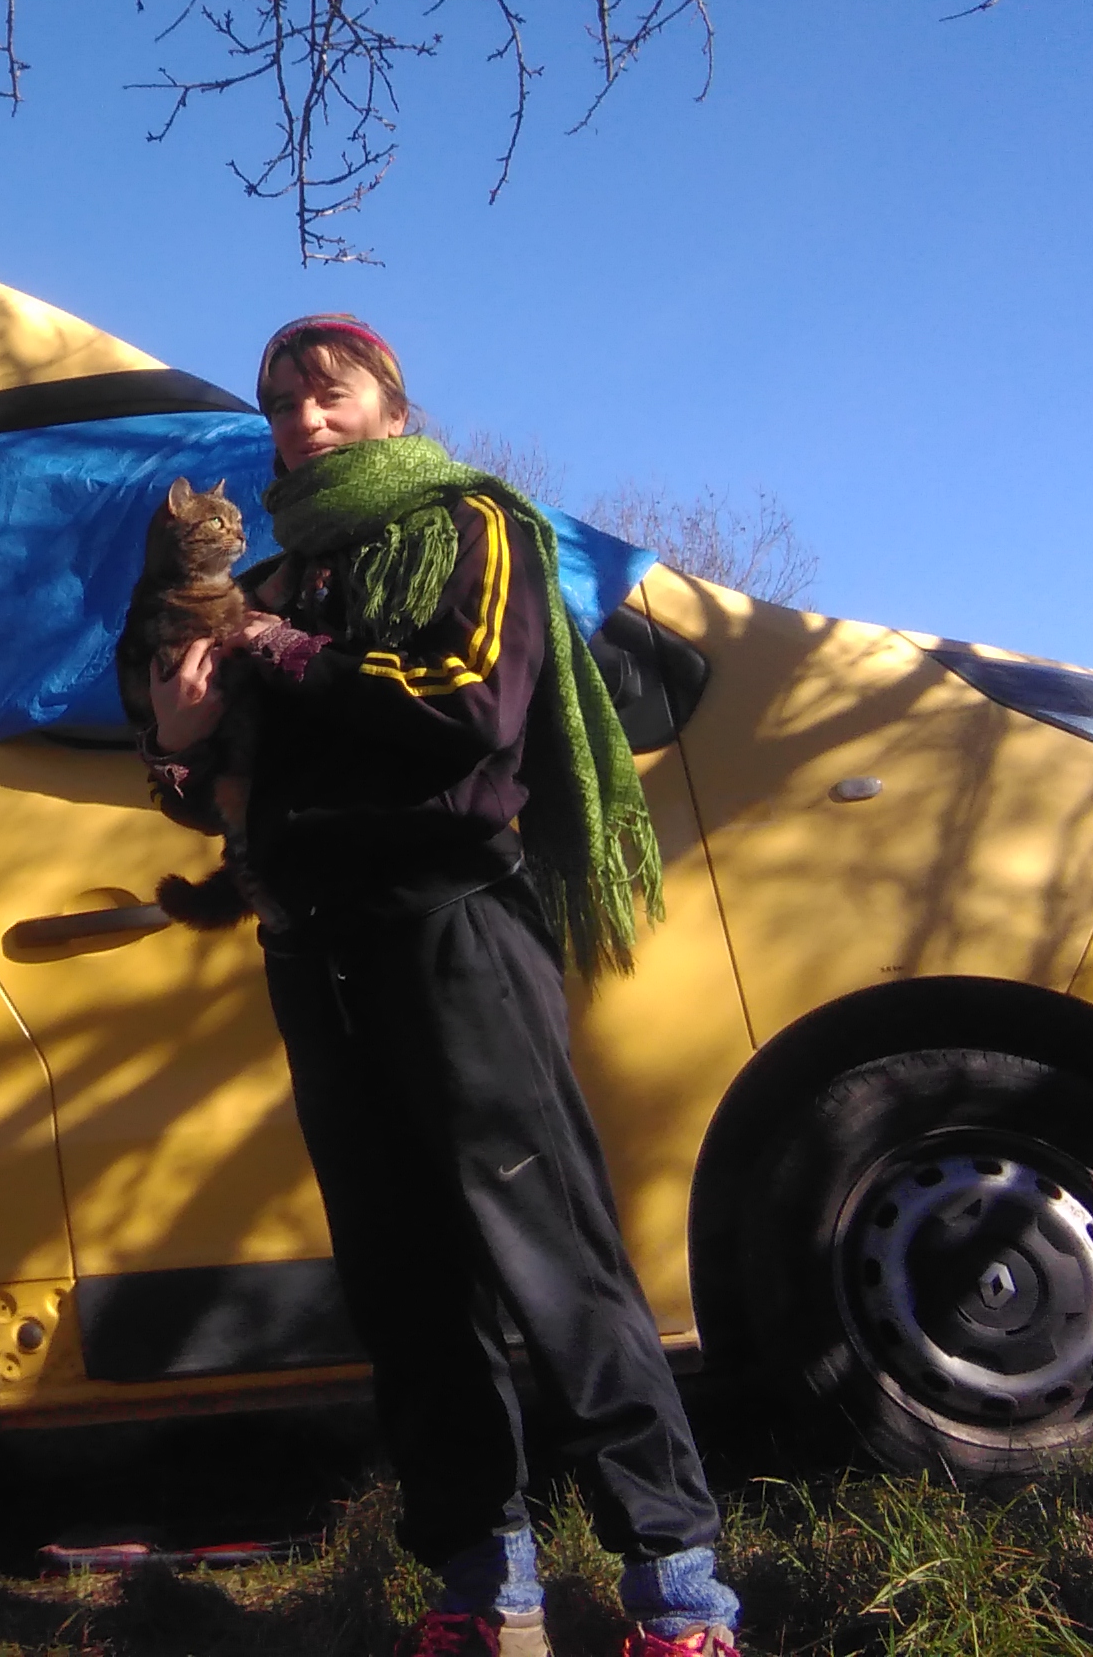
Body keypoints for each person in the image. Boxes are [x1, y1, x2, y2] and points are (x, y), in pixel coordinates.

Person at [136, 314, 742, 1657]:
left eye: (329, 395)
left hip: (450, 928)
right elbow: (243, 788)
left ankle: (679, 1594)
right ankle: (485, 1595)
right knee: (402, 1282)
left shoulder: (471, 530)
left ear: (391, 411)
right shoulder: (280, 578)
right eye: (282, 404)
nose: (302, 420)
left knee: (553, 1258)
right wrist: (182, 746)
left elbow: (465, 705)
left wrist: (268, 651)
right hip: (316, 943)